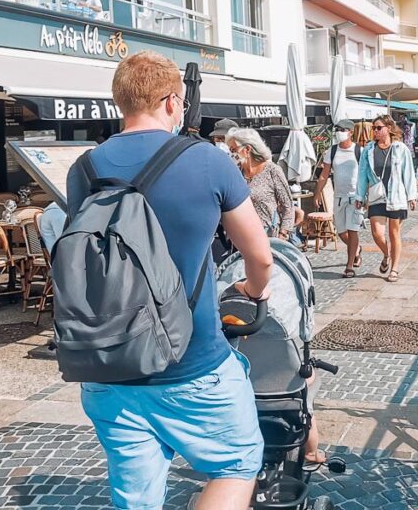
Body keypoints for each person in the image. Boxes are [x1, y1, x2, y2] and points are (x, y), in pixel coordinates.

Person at [65, 51, 271, 510]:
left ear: (120, 103)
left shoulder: (83, 170)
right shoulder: (207, 161)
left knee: (136, 499)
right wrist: (253, 289)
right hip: (192, 362)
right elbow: (260, 256)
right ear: (174, 103)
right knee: (236, 464)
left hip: (109, 366)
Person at [354, 115, 418, 283]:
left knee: (394, 233)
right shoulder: (368, 150)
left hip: (396, 196)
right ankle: (386, 254)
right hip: (376, 196)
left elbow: (408, 173)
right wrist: (359, 196)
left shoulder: (400, 148)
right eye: (373, 128)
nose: (375, 131)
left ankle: (394, 268)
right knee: (376, 233)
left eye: (378, 127)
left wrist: (412, 196)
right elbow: (362, 175)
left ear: (388, 128)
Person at [314, 119, 364, 278]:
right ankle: (356, 249)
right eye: (337, 129)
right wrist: (317, 193)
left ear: (350, 132)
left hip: (355, 197)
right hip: (339, 197)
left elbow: (365, 174)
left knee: (353, 230)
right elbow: (324, 174)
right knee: (341, 232)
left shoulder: (359, 151)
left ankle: (349, 266)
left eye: (342, 129)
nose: (339, 132)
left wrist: (365, 196)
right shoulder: (332, 151)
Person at [227, 127, 295, 240]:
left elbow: (288, 205)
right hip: (240, 235)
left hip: (267, 234)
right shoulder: (235, 173)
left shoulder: (272, 170)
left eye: (234, 150)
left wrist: (283, 234)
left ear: (247, 149)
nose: (232, 155)